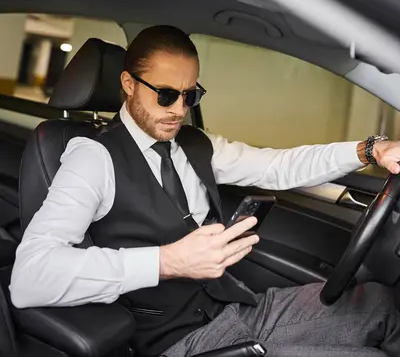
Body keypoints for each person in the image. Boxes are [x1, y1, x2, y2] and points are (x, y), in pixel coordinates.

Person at [10, 26, 400, 357]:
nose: (178, 109)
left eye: (190, 96)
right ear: (128, 84)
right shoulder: (93, 158)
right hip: (179, 342)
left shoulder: (195, 144)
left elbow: (277, 166)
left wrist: (369, 149)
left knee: (383, 303)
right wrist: (168, 261)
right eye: (165, 95)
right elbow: (31, 277)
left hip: (237, 307)